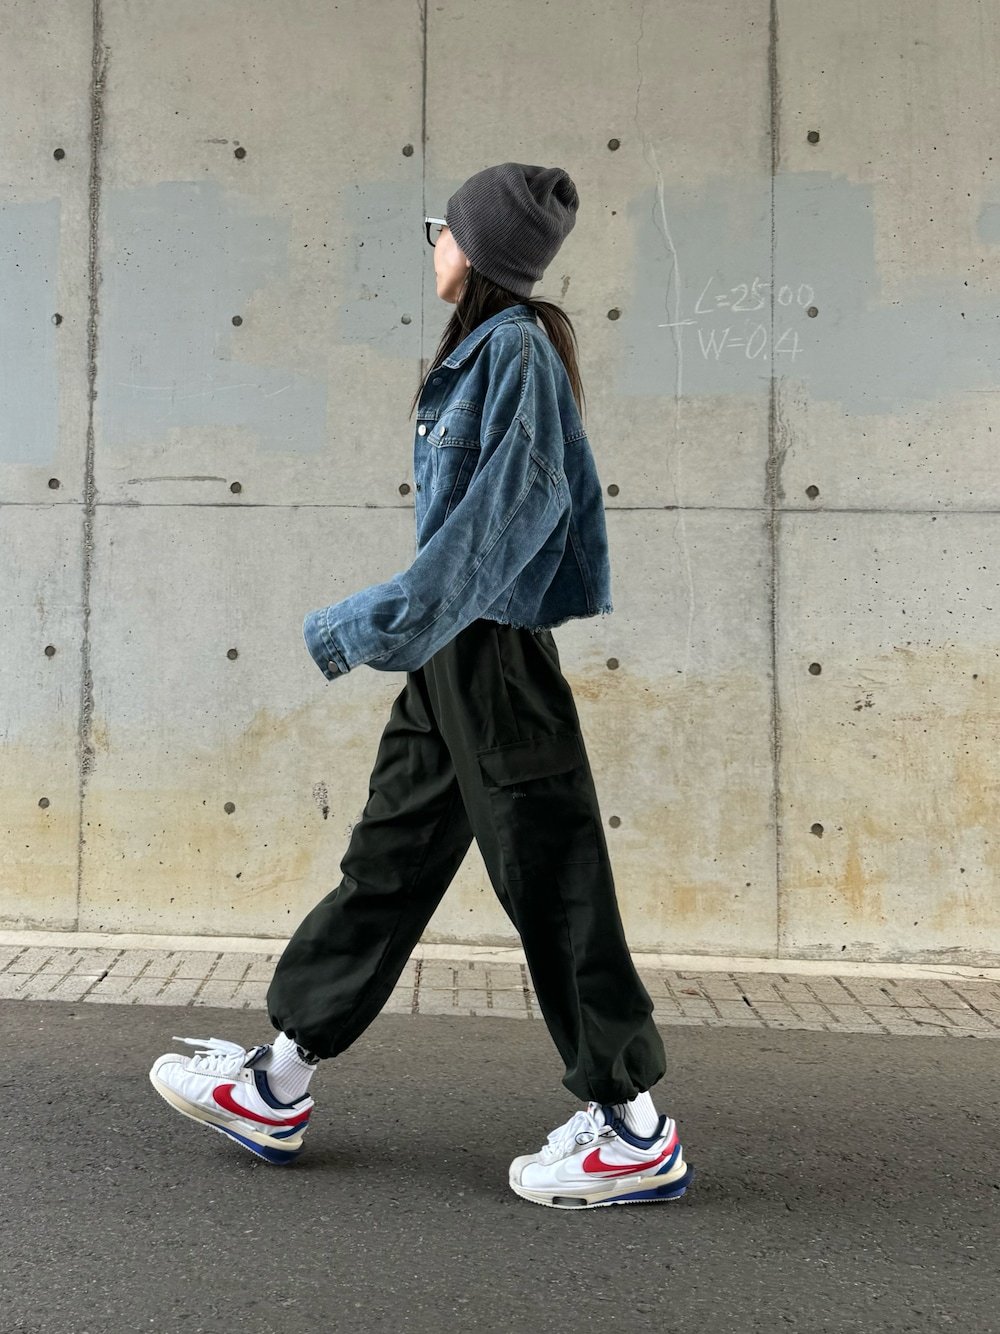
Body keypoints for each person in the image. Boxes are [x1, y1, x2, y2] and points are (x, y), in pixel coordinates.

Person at [149, 163, 693, 1210]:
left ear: (479, 250)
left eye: (444, 226)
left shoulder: (516, 350)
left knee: (554, 876)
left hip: (491, 656)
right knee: (389, 861)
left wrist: (377, 619)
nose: (434, 239)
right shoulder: (487, 349)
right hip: (456, 654)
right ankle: (276, 1083)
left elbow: (506, 518)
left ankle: (633, 1126)